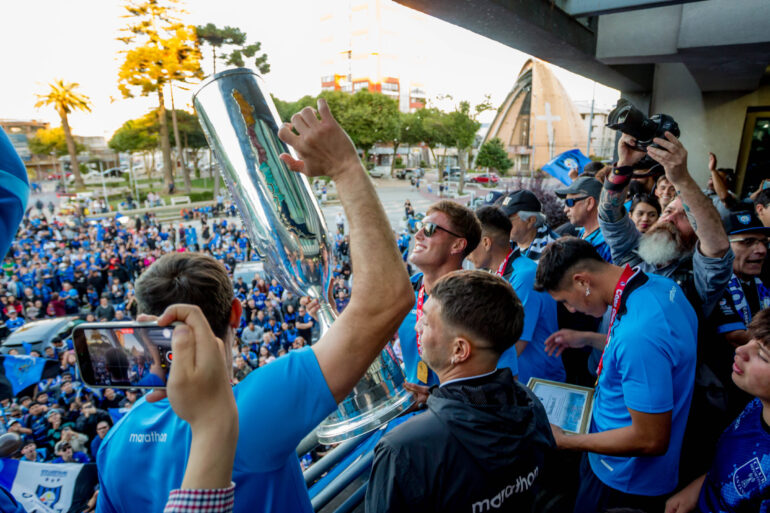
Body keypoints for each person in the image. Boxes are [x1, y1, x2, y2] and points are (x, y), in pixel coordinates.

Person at [95, 98, 415, 513]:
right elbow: (387, 300)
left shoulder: (116, 441)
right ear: (235, 314)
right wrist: (345, 167)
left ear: (146, 324)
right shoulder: (255, 405)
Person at [366, 271, 555, 513]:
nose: (417, 326)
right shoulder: (527, 402)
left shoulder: (402, 449)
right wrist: (436, 397)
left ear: (459, 350)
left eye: (426, 320)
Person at [536, 237, 697, 513]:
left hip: (623, 478)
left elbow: (650, 439)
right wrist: (588, 338)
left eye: (565, 300)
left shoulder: (640, 336)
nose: (571, 310)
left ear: (582, 282)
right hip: (617, 463)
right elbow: (655, 353)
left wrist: (567, 441)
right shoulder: (657, 286)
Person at [664, 307, 770, 513]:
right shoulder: (759, 403)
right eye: (751, 340)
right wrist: (699, 488)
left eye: (763, 355)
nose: (740, 350)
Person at [467, 206, 563, 383]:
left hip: (537, 384)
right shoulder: (499, 273)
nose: (467, 255)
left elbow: (515, 344)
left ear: (486, 243)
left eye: (471, 243)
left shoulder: (525, 276)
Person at [397, 200, 481, 394]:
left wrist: (434, 396)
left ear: (457, 244)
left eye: (429, 229)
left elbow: (499, 382)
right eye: (419, 227)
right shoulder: (408, 289)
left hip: (453, 415)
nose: (417, 235)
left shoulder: (479, 301)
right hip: (410, 409)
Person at [705, 211, 770, 418]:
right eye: (748, 242)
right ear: (724, 245)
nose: (760, 250)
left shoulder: (762, 281)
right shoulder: (714, 285)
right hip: (722, 394)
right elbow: (735, 336)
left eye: (763, 242)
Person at [555, 177, 611, 262]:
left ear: (590, 203)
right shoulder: (583, 232)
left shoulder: (607, 241)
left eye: (569, 202)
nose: (565, 209)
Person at [500, 190, 559, 262]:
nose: (502, 224)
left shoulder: (554, 250)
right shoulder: (501, 243)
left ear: (530, 220)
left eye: (507, 220)